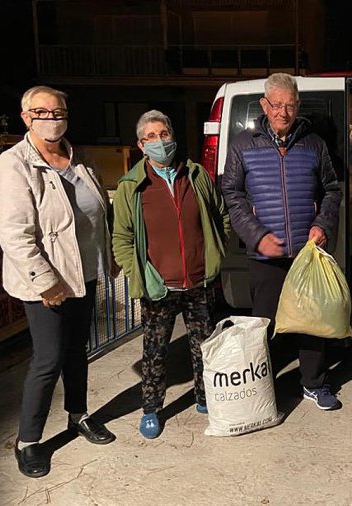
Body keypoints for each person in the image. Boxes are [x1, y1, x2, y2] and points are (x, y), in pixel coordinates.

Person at [0, 86, 116, 478]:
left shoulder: (80, 160)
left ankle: (78, 415)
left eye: (58, 110)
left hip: (83, 275)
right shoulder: (14, 165)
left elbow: (98, 215)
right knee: (48, 358)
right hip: (47, 283)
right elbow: (15, 235)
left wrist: (107, 258)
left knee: (78, 350)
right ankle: (28, 441)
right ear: (26, 118)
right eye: (41, 112)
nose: (51, 117)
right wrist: (45, 282)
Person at [220, 72, 343, 410]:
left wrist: (322, 225)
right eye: (277, 105)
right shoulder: (244, 145)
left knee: (312, 319)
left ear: (297, 105)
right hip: (265, 254)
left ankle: (314, 383)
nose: (283, 112)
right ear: (264, 105)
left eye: (290, 105)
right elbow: (232, 194)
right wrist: (257, 236)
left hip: (307, 251)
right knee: (265, 324)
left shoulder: (315, 145)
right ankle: (262, 386)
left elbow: (332, 191)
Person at [112, 110, 230, 439]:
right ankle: (151, 408)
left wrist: (216, 256)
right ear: (140, 144)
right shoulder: (132, 186)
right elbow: (121, 237)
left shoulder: (195, 175)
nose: (159, 141)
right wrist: (139, 273)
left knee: (204, 346)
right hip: (158, 286)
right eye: (151, 137)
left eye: (164, 134)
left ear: (173, 136)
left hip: (198, 280)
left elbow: (220, 214)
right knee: (155, 350)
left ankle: (205, 397)